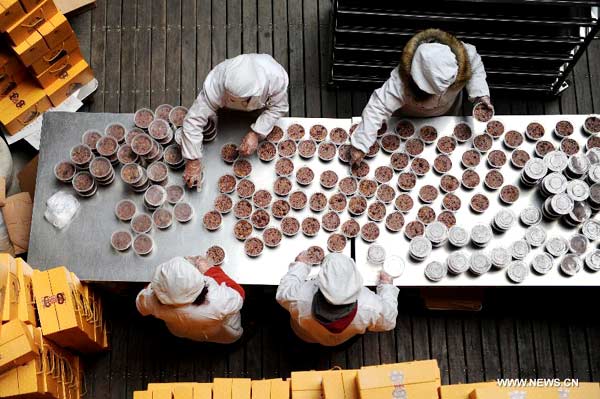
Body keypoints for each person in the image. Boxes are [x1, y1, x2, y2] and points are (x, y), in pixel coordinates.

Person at [350, 29, 492, 165]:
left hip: (448, 111)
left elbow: (476, 69)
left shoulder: (464, 55)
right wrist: (360, 145)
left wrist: (481, 95)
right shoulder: (401, 81)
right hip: (411, 115)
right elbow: (378, 107)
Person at [181, 53, 289, 187]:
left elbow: (278, 108)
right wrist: (192, 161)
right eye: (230, 97)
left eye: (238, 99)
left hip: (258, 110)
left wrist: (256, 133)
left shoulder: (275, 78)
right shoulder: (217, 82)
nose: (233, 100)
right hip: (226, 111)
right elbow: (193, 120)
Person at [276, 252, 399, 346]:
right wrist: (386, 286)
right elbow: (389, 320)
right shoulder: (370, 306)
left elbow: (283, 292)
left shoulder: (300, 297)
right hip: (342, 339)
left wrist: (300, 265)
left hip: (306, 335)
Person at [136, 255, 245, 344]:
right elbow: (239, 294)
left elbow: (140, 305)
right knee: (230, 336)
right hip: (220, 332)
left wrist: (157, 286)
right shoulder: (217, 301)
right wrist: (210, 270)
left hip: (180, 331)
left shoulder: (152, 301)